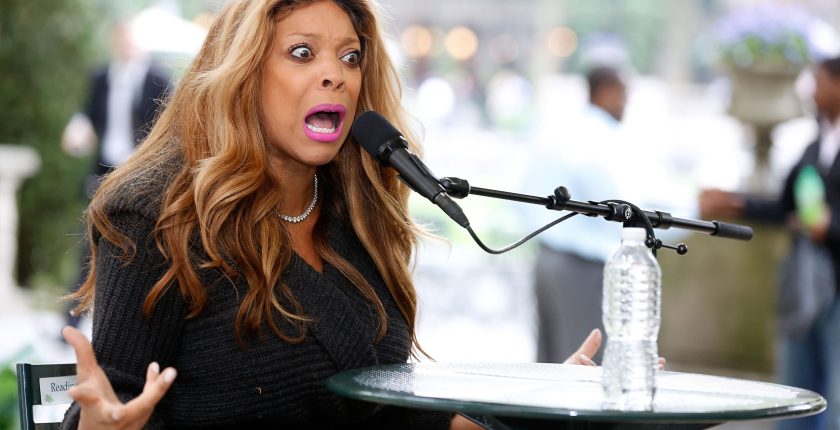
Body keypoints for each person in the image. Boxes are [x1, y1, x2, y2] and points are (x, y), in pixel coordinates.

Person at [60, 1, 604, 429]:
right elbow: (113, 403)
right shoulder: (158, 213)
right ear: (244, 72)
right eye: (302, 53)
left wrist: (540, 406)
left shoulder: (360, 214)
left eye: (350, 57)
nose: (336, 75)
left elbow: (387, 413)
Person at [700, 56, 840, 430]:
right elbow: (785, 205)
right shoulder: (815, 145)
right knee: (796, 389)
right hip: (806, 284)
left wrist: (832, 228)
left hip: (835, 285)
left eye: (819, 82)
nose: (812, 91)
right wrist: (734, 202)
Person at [529, 66, 692, 364]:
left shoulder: (563, 129)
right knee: (586, 364)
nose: (625, 104)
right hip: (581, 266)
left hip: (549, 258)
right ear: (606, 91)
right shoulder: (599, 137)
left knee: (552, 362)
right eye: (623, 96)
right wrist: (695, 212)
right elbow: (628, 213)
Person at [61, 19, 172, 327]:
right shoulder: (101, 76)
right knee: (90, 240)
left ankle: (133, 321)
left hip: (141, 173)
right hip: (104, 170)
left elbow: (168, 126)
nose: (126, 43)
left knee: (138, 243)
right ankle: (71, 321)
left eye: (132, 38)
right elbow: (88, 114)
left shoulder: (158, 78)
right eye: (121, 37)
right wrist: (78, 130)